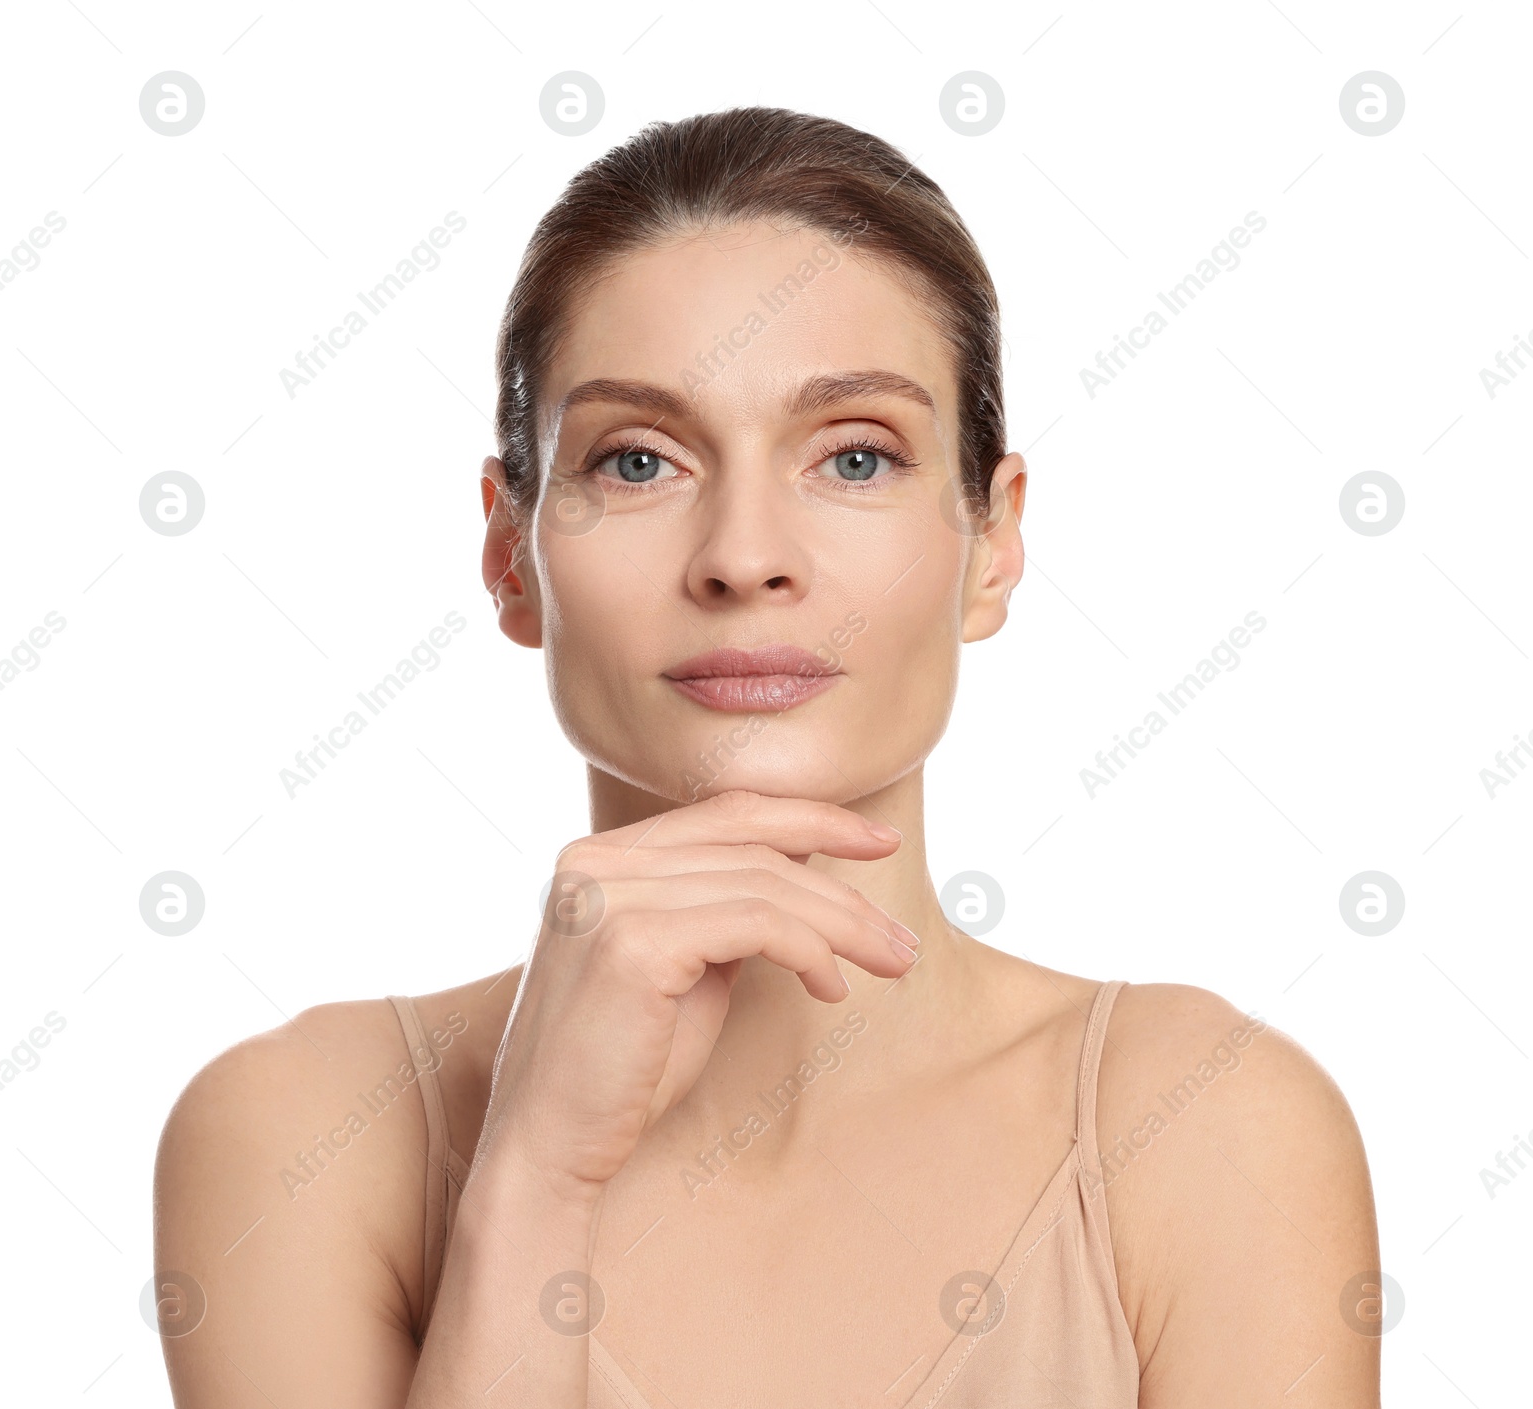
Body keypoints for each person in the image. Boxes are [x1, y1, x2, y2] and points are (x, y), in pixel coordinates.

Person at [154, 107, 1380, 1407]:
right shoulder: (299, 1138)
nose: (745, 553)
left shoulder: (1209, 1124)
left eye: (854, 455)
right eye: (639, 459)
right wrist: (534, 1176)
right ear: (511, 555)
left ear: (993, 541)